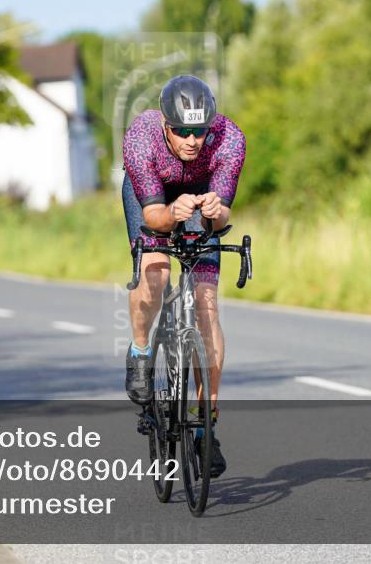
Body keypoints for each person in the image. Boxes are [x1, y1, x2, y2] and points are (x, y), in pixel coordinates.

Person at [121, 74, 246, 478]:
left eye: (200, 131)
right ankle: (141, 351)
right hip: (154, 199)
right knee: (154, 274)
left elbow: (224, 215)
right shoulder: (141, 137)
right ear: (165, 125)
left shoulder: (228, 138)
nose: (193, 140)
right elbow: (154, 215)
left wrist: (214, 211)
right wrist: (171, 214)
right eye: (182, 131)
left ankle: (205, 423)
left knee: (206, 306)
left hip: (201, 198)